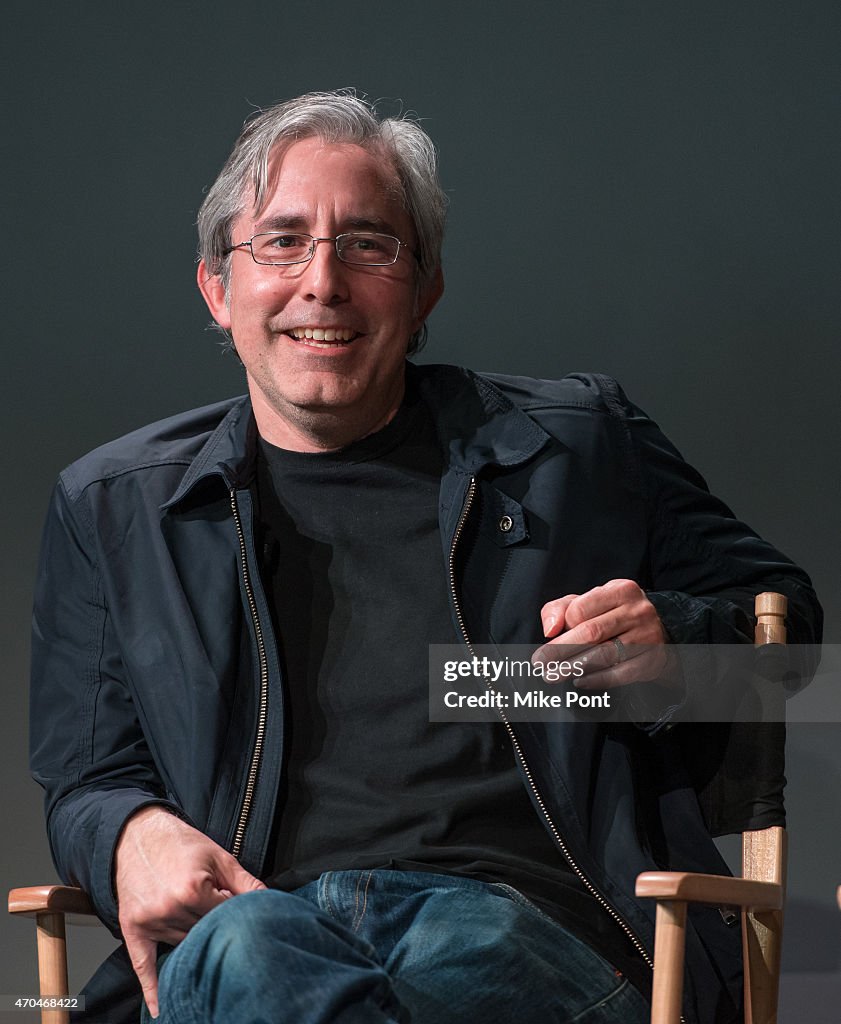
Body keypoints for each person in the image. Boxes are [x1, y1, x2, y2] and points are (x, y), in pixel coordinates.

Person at [30, 90, 821, 1024]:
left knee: (457, 939)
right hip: (255, 931)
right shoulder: (115, 508)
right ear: (217, 288)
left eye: (367, 243)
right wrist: (129, 835)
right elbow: (85, 780)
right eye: (281, 241)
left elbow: (792, 645)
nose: (323, 283)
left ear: (425, 288)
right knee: (249, 947)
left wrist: (677, 647)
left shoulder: (579, 448)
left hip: (533, 934)